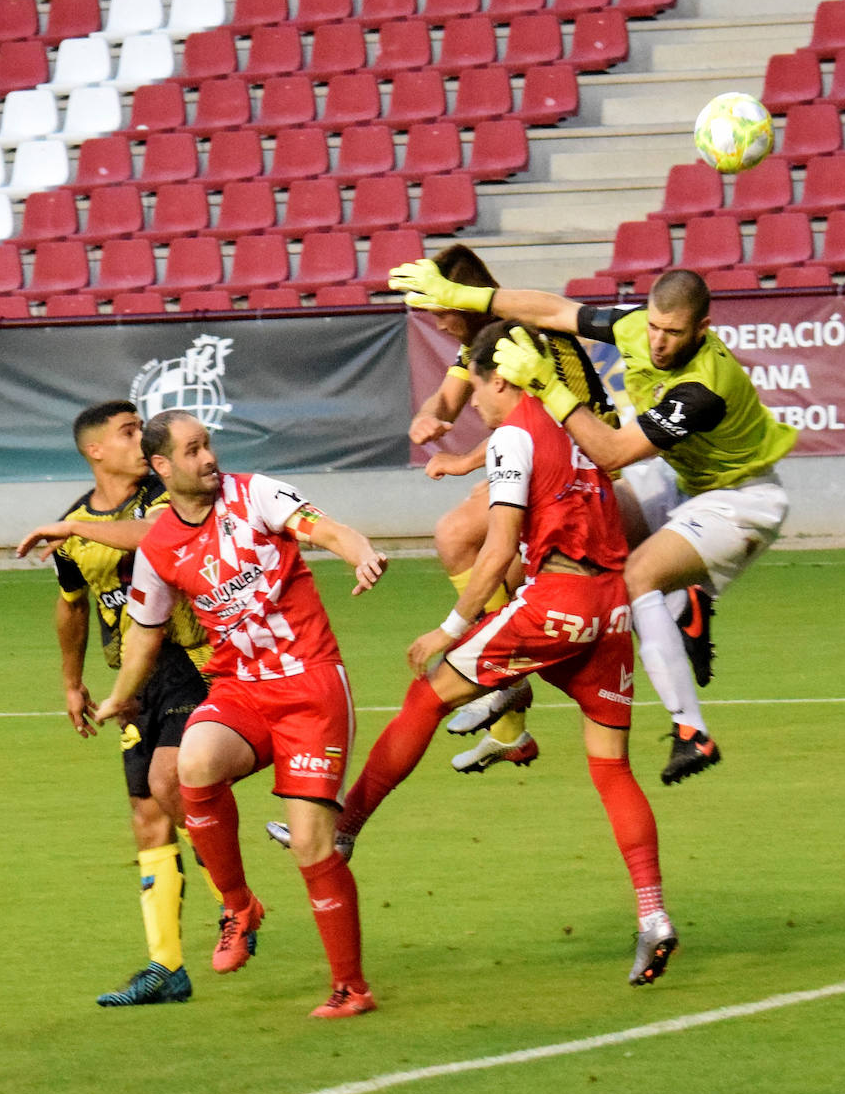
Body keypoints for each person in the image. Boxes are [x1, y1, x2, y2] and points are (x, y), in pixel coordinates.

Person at [272, 320, 678, 987]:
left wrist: (450, 626)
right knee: (610, 769)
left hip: (559, 603)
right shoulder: (574, 425)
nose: (476, 404)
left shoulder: (517, 432)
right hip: (609, 611)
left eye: (477, 385)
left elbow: (496, 547)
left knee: (427, 692)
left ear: (499, 377)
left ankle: (342, 831)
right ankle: (653, 916)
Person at [390, 261, 798, 785]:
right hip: (677, 481)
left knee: (638, 577)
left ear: (702, 330)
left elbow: (608, 452)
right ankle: (679, 604)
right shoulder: (635, 328)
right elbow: (555, 309)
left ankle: (691, 730)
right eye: (653, 326)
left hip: (738, 498)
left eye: (673, 333)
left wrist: (548, 388)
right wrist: (463, 295)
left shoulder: (703, 387)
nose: (658, 342)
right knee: (564, 550)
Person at [93, 408, 388, 1019]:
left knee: (311, 845)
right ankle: (238, 904)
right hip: (241, 689)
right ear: (162, 467)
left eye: (209, 445)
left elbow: (321, 527)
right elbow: (145, 631)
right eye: (193, 450)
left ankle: (350, 988)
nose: (209, 459)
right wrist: (122, 692)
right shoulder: (159, 546)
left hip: (310, 688)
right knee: (188, 765)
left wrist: (358, 549)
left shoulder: (255, 494)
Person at [16, 400, 219, 1007]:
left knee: (174, 787)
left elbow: (156, 539)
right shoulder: (72, 525)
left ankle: (236, 905)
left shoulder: (162, 495)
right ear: (96, 451)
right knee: (146, 815)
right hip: (134, 686)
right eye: (129, 433)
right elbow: (72, 603)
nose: (143, 440)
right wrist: (71, 681)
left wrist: (76, 530)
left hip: (190, 663)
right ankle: (168, 966)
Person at [407, 242, 617, 776]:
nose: (435, 322)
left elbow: (540, 416)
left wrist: (466, 462)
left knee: (461, 536)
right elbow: (448, 399)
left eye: (440, 309)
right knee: (485, 554)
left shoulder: (523, 336)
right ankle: (509, 730)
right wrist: (429, 418)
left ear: (466, 300)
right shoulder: (480, 341)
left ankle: (504, 685)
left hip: (593, 466)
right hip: (558, 468)